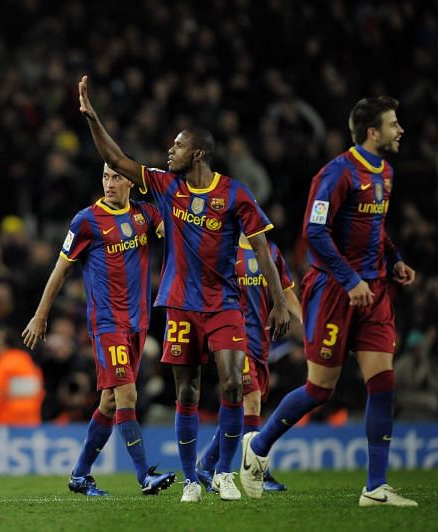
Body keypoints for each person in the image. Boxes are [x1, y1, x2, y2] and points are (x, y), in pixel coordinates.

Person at [78, 75, 290, 503]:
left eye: (175, 146)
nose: (168, 151)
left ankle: (224, 473)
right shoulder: (164, 185)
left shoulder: (234, 194)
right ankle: (193, 477)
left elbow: (264, 249)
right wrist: (92, 118)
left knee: (232, 385)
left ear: (197, 153)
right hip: (179, 305)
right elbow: (117, 159)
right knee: (188, 392)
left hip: (223, 304)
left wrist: (280, 302)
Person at [240, 96, 418, 507]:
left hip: (372, 291)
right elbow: (315, 232)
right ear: (373, 132)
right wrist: (349, 277)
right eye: (394, 124)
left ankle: (375, 488)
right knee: (321, 389)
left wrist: (394, 259)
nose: (400, 130)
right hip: (333, 290)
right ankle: (259, 446)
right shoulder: (336, 173)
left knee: (383, 382)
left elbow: (374, 228)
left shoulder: (386, 172)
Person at [23, 163, 175, 497]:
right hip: (107, 324)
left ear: (131, 182)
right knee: (127, 395)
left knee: (109, 403)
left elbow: (177, 229)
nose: (109, 182)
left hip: (138, 323)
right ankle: (143, 475)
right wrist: (40, 315)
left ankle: (79, 475)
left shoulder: (146, 215)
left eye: (117, 177)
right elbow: (61, 269)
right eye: (105, 175)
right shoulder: (86, 220)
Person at [196, 234, 302, 492]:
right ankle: (257, 472)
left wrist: (306, 326)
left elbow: (286, 292)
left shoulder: (271, 252)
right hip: (234, 338)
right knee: (251, 399)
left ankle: (207, 464)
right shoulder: (225, 250)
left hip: (261, 341)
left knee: (242, 408)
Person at [0, 327, 45, 426]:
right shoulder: (28, 362)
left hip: (7, 422)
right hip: (31, 421)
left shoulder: (0, 365)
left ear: (3, 345)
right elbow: (39, 391)